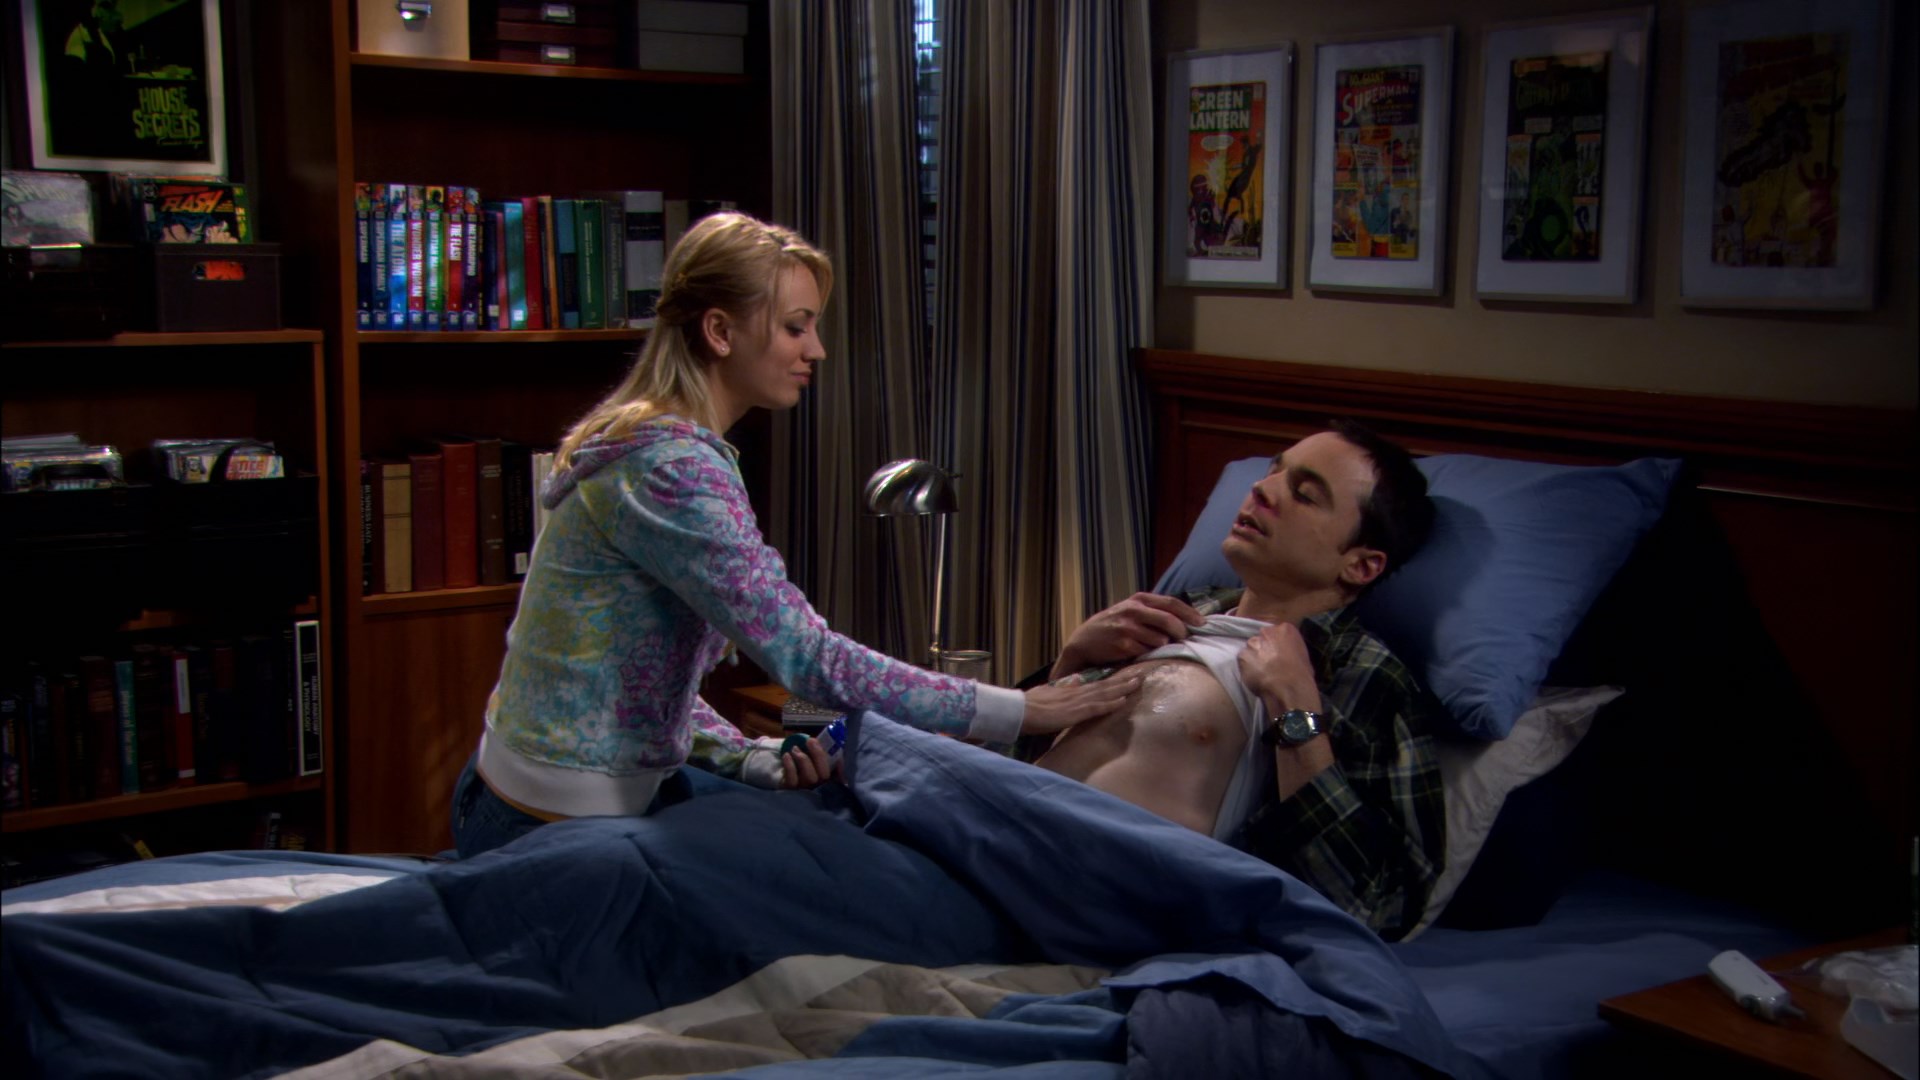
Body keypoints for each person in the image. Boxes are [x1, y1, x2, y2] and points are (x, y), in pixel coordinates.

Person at [451, 212, 1142, 858]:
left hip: (557, 791)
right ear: (720, 332)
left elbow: (636, 679)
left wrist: (749, 757)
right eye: (795, 327)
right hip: (551, 822)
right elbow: (808, 658)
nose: (817, 349)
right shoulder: (671, 468)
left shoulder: (650, 440)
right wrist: (1017, 710)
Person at [1033, 421, 1443, 941]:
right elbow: (1025, 749)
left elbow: (1379, 907)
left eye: (1305, 494)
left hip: (1080, 903)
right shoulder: (1169, 617)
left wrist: (1294, 709)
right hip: (993, 827)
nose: (1262, 490)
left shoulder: (1359, 674)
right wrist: (1071, 660)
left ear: (1361, 565)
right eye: (1273, 472)